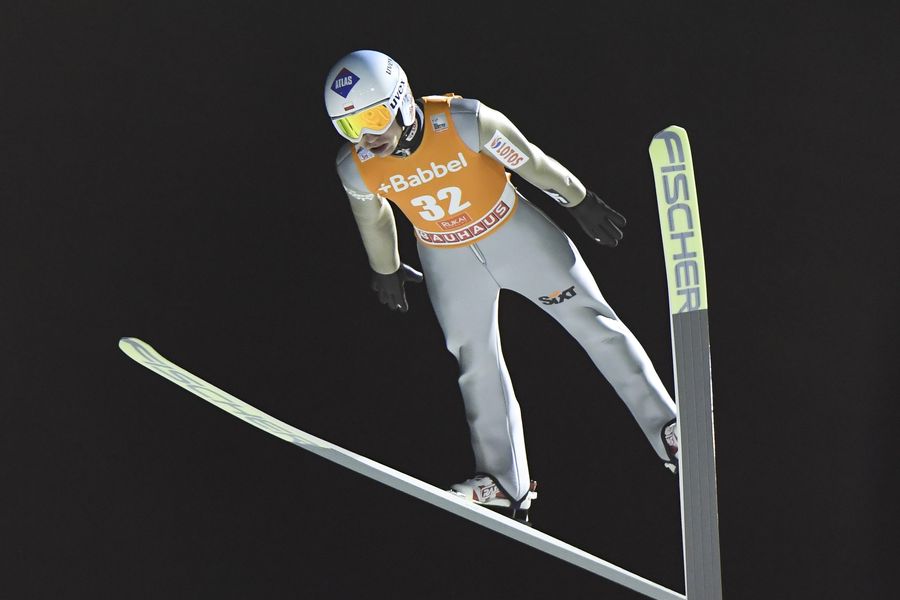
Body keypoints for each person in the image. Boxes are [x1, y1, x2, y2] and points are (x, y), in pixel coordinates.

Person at [324, 49, 679, 525]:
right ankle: (504, 482)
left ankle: (670, 429)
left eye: (372, 118)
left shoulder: (465, 121)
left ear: (401, 100)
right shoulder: (356, 165)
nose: (367, 137)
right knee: (475, 361)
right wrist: (385, 268)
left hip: (514, 234)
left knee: (594, 324)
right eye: (350, 127)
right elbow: (372, 216)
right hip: (447, 259)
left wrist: (579, 200)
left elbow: (531, 161)